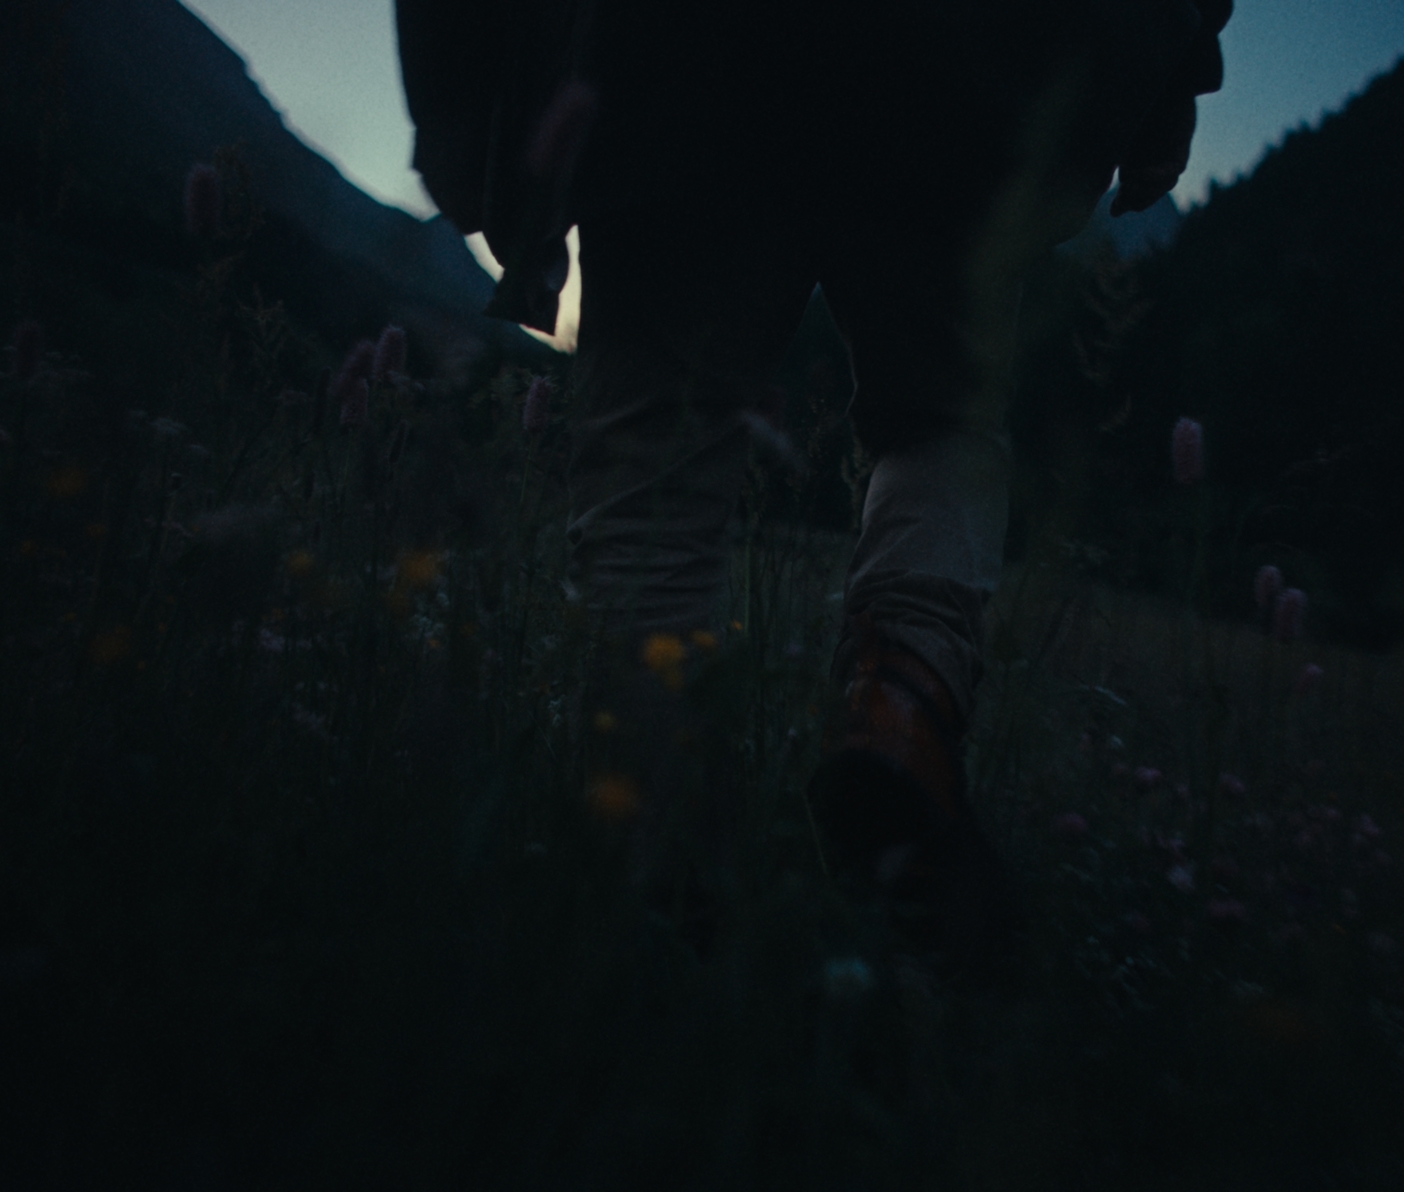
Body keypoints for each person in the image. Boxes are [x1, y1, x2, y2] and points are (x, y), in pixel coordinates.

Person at [395, 0, 1230, 972]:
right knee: (942, 423)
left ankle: (658, 907)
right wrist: (1165, 85)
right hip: (970, 67)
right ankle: (901, 708)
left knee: (656, 475)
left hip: (685, 66)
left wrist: (457, 106)